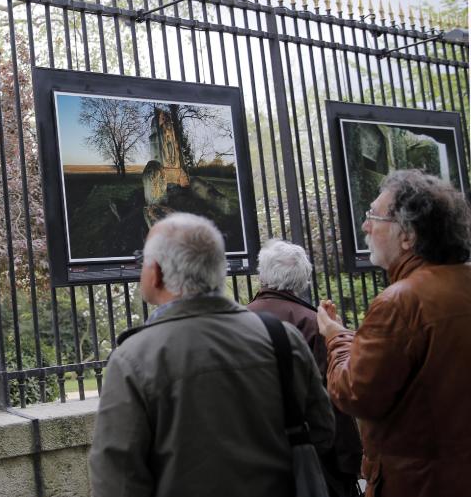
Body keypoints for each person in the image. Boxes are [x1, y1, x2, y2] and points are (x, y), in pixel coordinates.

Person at [89, 213, 334, 497]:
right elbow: (323, 432)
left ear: (155, 273)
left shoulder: (133, 360)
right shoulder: (281, 338)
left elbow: (117, 482)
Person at [317, 170, 471, 497]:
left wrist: (335, 336)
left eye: (374, 215)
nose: (365, 226)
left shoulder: (399, 302)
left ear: (408, 236)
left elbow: (355, 393)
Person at [249, 239, 363, 497]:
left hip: (255, 451)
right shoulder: (315, 323)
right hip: (309, 453)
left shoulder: (238, 321)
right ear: (303, 279)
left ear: (262, 274)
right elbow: (331, 393)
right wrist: (348, 462)